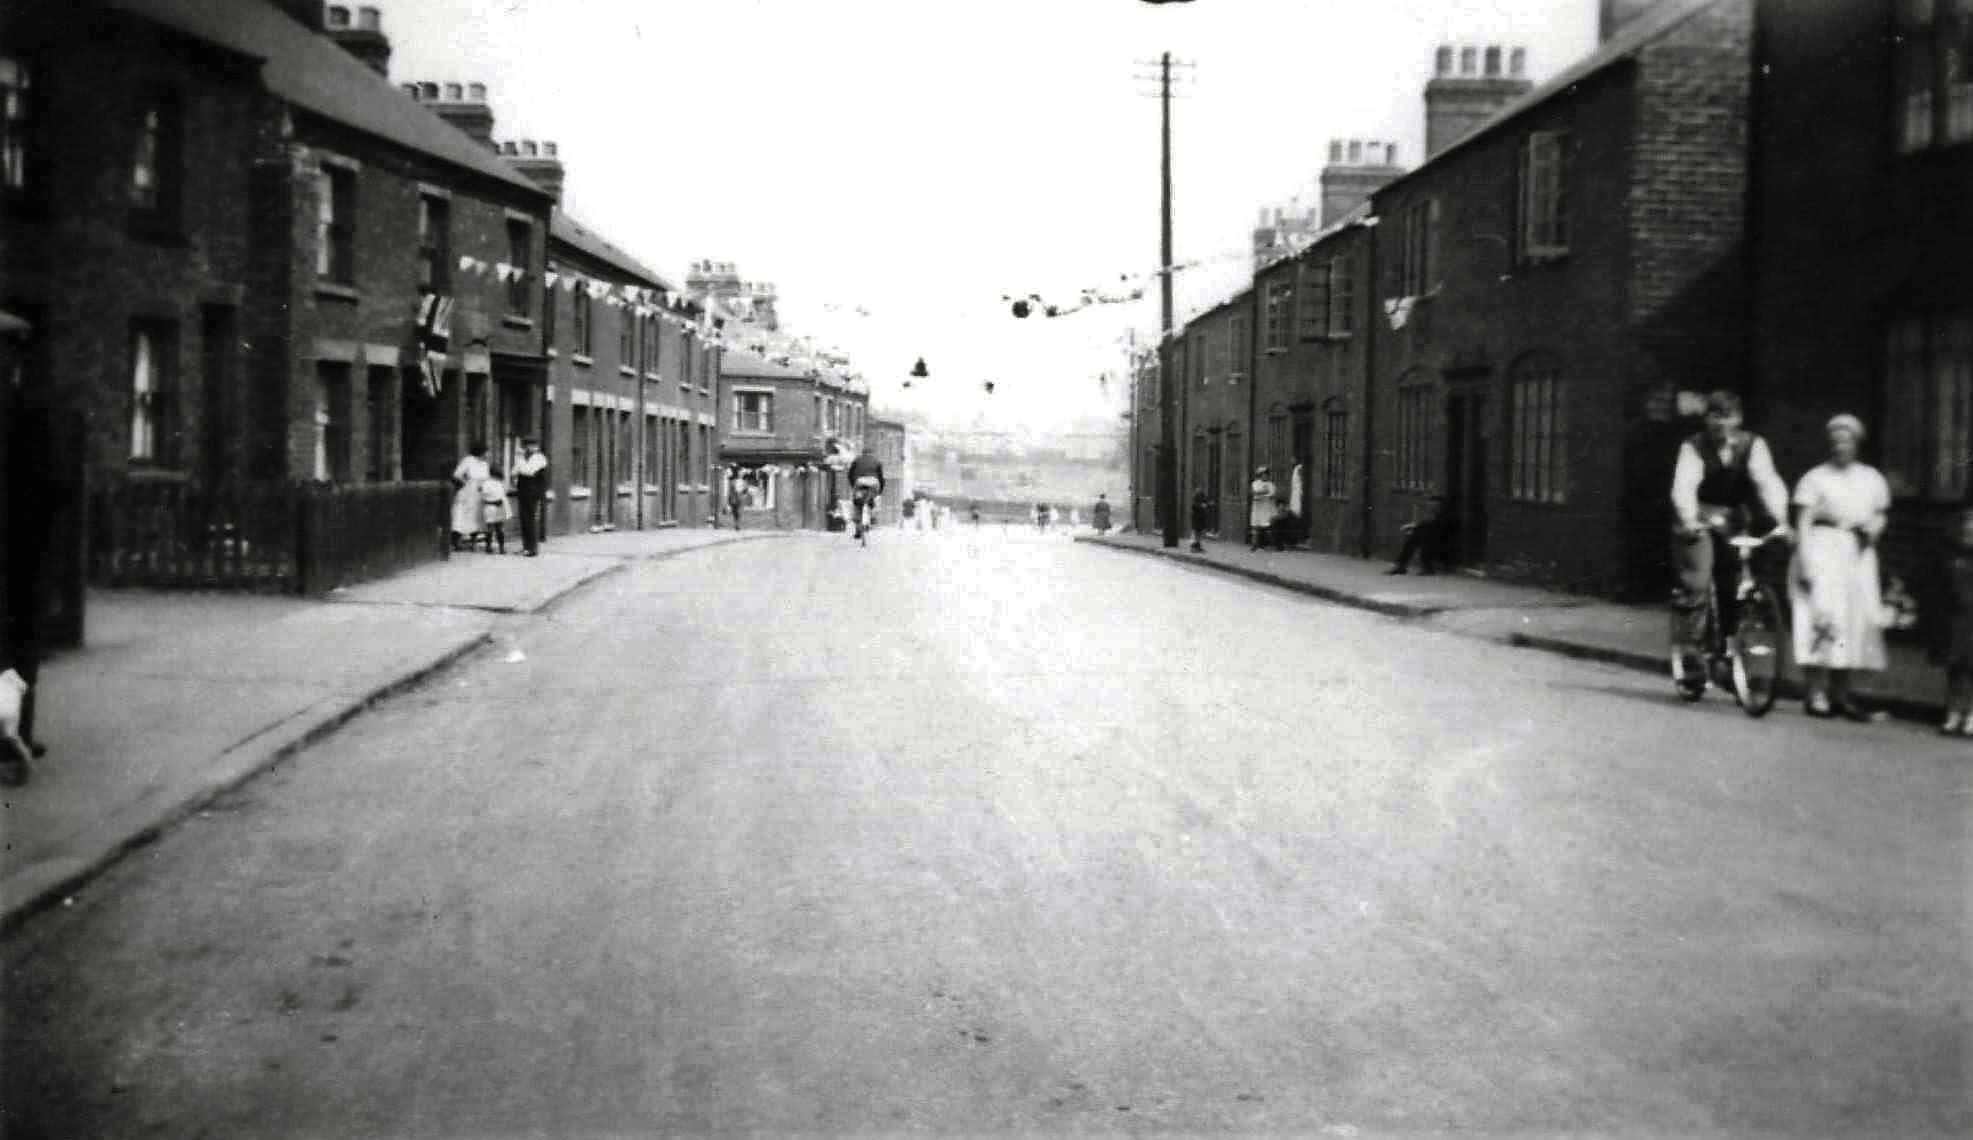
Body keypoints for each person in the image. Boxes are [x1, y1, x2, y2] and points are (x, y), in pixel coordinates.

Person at [1668, 391, 1791, 685]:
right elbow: (1683, 487)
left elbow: (1768, 482)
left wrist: (1782, 520)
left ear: (1738, 419)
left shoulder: (1753, 445)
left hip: (1734, 519)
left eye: (1726, 416)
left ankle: (1729, 653)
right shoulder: (1694, 447)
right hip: (1698, 517)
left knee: (1735, 585)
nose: (1720, 423)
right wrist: (1688, 520)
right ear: (1706, 418)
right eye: (1714, 416)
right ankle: (1691, 653)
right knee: (1697, 581)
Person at [1789, 414, 1891, 721]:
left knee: (1851, 622)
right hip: (1821, 549)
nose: (1840, 447)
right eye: (1835, 442)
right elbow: (1803, 521)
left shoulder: (1872, 478)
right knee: (1819, 618)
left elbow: (1880, 513)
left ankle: (1841, 695)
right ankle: (1815, 693)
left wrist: (1875, 528)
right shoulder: (1815, 478)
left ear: (1857, 444)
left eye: (1846, 441)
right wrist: (1805, 561)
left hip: (1856, 554)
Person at [0, 314, 51, 772]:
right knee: (21, 645)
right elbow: (45, 486)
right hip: (19, 550)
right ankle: (17, 737)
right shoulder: (27, 411)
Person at [1923, 506, 1973, 736]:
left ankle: (1971, 715)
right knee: (1955, 668)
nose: (1968, 533)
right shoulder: (1948, 558)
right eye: (1965, 530)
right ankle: (1952, 713)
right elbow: (1937, 588)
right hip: (1956, 619)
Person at [1388, 495, 1451, 575]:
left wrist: (1417, 526)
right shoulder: (1433, 516)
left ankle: (1426, 567)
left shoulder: (1445, 517)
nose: (1431, 508)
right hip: (1432, 543)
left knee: (1424, 537)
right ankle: (1401, 565)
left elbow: (1436, 528)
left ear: (1440, 506)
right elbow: (1426, 525)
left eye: (1434, 506)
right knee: (1416, 536)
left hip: (1444, 547)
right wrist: (1416, 527)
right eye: (1431, 506)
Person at [450, 442, 491, 551]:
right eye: (486, 451)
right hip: (468, 492)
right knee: (461, 516)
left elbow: (486, 478)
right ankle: (455, 542)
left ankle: (473, 542)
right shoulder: (468, 460)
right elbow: (456, 474)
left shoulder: (485, 464)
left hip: (480, 492)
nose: (488, 454)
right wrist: (465, 482)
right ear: (480, 451)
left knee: (477, 516)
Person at [513, 435, 548, 556]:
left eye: (530, 446)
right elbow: (514, 472)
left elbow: (528, 471)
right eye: (526, 446)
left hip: (533, 492)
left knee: (530, 519)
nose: (528, 448)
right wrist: (520, 463)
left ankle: (532, 548)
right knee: (524, 519)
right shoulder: (524, 458)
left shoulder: (539, 458)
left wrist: (520, 460)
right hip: (523, 490)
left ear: (535, 447)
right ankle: (526, 546)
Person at [846, 445, 885, 540]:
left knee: (857, 505)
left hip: (859, 482)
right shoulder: (877, 461)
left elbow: (850, 474)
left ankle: (858, 530)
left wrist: (853, 487)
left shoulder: (856, 460)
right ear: (872, 453)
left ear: (862, 453)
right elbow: (881, 477)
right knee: (874, 499)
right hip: (873, 482)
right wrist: (880, 491)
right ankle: (872, 515)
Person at [479, 466, 511, 554]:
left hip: (490, 506)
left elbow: (483, 493)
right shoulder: (499, 483)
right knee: (499, 528)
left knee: (491, 527)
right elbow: (504, 492)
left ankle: (490, 547)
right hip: (496, 506)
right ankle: (500, 547)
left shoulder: (486, 483)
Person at [1248, 466, 1277, 551]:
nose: (1264, 476)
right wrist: (1263, 493)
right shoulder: (1255, 483)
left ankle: (1271, 544)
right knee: (1255, 526)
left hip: (1267, 508)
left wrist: (1261, 494)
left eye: (1266, 474)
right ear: (1260, 475)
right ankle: (1254, 544)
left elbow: (1272, 495)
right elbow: (1254, 493)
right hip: (1257, 508)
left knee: (1268, 526)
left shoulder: (1271, 484)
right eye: (1263, 474)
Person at [1189, 487, 1210, 553]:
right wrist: (1202, 505)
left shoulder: (1202, 497)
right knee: (1197, 532)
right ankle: (1195, 547)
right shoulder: (1195, 499)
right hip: (1197, 518)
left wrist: (1207, 504)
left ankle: (1197, 546)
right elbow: (1194, 506)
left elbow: (1206, 503)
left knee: (1199, 532)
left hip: (1200, 518)